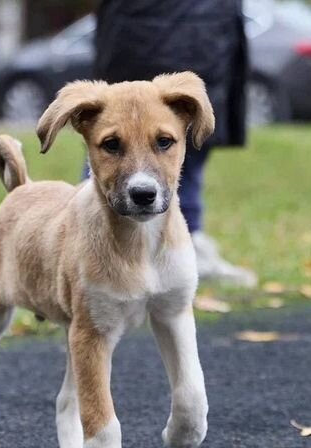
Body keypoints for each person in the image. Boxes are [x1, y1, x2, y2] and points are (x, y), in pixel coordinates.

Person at [92, 0, 257, 287]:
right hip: (148, 29)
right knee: (117, 137)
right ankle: (89, 250)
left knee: (186, 144)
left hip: (204, 29)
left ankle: (187, 243)